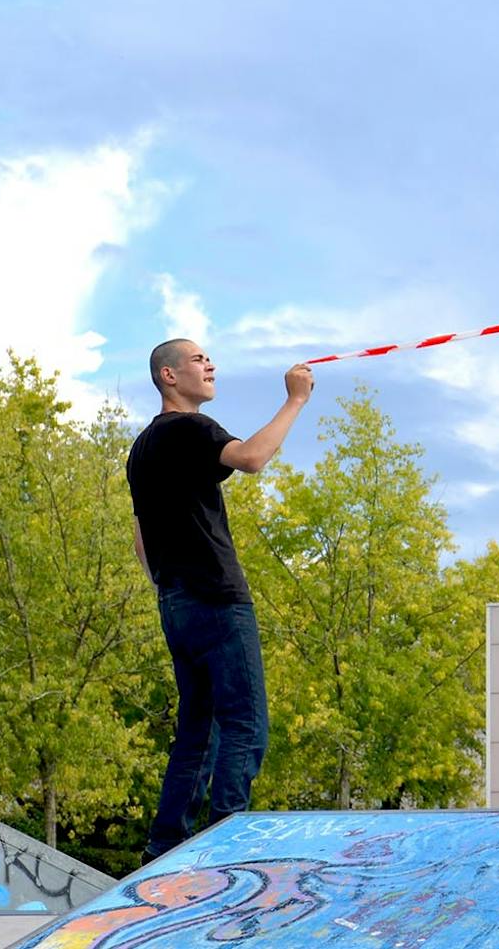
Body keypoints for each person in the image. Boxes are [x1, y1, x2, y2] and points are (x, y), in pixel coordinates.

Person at [128, 339, 313, 862]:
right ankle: (225, 851)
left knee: (197, 731)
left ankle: (164, 849)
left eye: (209, 359)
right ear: (168, 375)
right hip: (215, 597)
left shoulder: (141, 449)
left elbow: (140, 538)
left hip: (176, 602)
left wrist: (169, 585)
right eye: (197, 360)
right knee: (245, 724)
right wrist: (295, 399)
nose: (209, 365)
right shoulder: (190, 428)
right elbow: (252, 458)